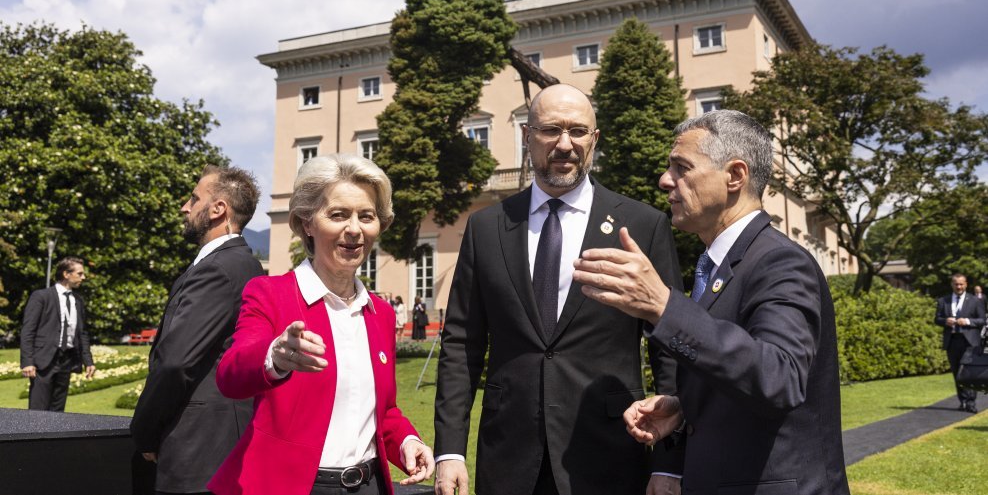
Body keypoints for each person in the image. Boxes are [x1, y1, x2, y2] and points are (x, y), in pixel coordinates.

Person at [573, 110, 849, 495]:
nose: (665, 180)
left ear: (735, 176)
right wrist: (686, 406)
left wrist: (664, 306)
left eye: (682, 167)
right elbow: (743, 373)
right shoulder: (720, 265)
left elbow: (780, 378)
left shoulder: (778, 260)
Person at [434, 84, 682, 495]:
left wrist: (670, 464)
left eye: (578, 132)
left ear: (594, 140)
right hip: (508, 456)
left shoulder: (641, 226)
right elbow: (461, 343)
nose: (565, 144)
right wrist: (450, 452)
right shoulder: (486, 228)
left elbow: (668, 344)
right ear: (527, 136)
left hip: (610, 454)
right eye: (551, 130)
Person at [208, 154, 434, 495]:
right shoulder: (270, 294)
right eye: (338, 215)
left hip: (369, 486)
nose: (354, 229)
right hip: (293, 487)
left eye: (366, 216)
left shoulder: (382, 314)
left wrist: (405, 441)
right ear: (307, 223)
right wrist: (276, 357)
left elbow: (381, 410)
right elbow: (230, 373)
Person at [130, 165, 265, 493]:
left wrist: (144, 431)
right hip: (225, 444)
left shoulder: (216, 270)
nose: (184, 207)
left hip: (198, 449)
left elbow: (176, 362)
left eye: (194, 198)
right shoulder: (246, 263)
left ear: (219, 209)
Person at [20, 256, 96, 411]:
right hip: (44, 360)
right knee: (38, 411)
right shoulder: (41, 296)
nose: (83, 277)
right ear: (66, 274)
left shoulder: (78, 301)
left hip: (67, 360)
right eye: (79, 273)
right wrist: (27, 361)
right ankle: (34, 435)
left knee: (58, 411)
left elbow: (82, 333)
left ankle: (55, 436)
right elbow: (28, 331)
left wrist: (88, 361)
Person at [935, 273, 986, 413]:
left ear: (966, 284)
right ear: (952, 284)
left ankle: (971, 402)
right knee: (957, 372)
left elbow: (982, 320)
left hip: (970, 342)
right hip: (952, 341)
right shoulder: (943, 300)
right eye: (956, 284)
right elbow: (937, 319)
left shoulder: (975, 301)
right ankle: (962, 401)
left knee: (970, 372)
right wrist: (945, 321)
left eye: (961, 284)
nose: (959, 286)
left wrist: (968, 321)